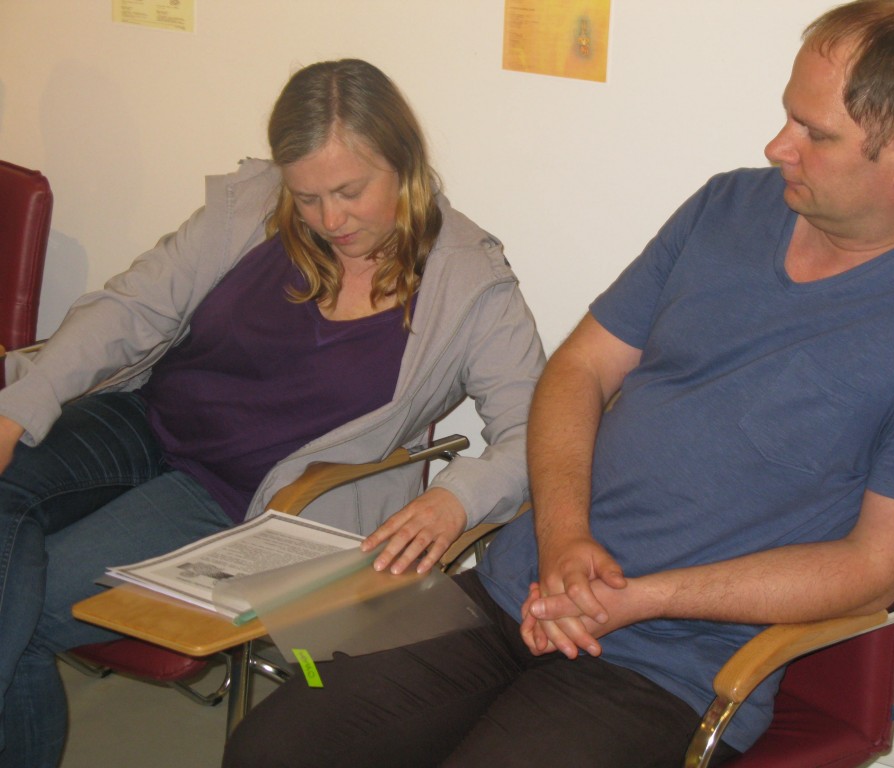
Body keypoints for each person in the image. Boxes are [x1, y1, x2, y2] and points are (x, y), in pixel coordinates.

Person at [223, 2, 894, 767]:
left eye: (814, 133)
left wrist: (640, 597)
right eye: (789, 116)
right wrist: (564, 540)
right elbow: (579, 368)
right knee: (277, 744)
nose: (778, 145)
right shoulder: (728, 205)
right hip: (510, 587)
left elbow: (874, 568)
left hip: (670, 664)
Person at [0, 59, 544, 767]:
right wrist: (19, 408)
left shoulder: (470, 283)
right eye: (307, 196)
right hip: (143, 420)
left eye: (350, 191)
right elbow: (132, 308)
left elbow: (534, 432)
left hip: (236, 498)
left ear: (405, 162)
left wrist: (455, 498)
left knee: (32, 609)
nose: (329, 220)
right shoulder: (249, 204)